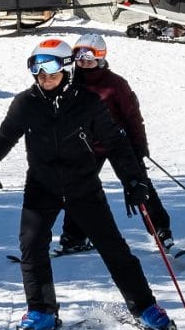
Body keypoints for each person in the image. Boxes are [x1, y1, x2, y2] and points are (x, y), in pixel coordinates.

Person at [0, 34, 174, 330]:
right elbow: (7, 133)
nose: (45, 78)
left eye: (52, 72)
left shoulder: (88, 103)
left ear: (67, 70)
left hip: (83, 186)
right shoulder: (26, 103)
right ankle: (41, 312)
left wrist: (133, 179)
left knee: (114, 248)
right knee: (32, 247)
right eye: (38, 72)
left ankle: (145, 307)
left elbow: (115, 144)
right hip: (42, 187)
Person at [61, 33, 173, 254]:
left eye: (88, 57)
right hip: (88, 145)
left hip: (118, 142)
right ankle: (74, 236)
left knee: (138, 184)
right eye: (79, 57)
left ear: (100, 58)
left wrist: (139, 146)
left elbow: (133, 117)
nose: (83, 62)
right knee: (79, 188)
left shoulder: (115, 85)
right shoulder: (71, 84)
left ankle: (161, 230)